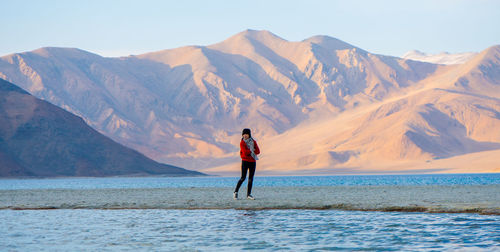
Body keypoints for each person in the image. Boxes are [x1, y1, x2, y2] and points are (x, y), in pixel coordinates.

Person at [234, 128, 260, 200]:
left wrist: (251, 151)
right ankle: (235, 192)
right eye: (243, 134)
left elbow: (258, 151)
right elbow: (245, 152)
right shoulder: (242, 143)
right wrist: (252, 150)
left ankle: (249, 194)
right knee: (243, 178)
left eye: (246, 134)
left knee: (251, 179)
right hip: (245, 161)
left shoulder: (253, 142)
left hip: (252, 162)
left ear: (249, 135)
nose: (245, 136)